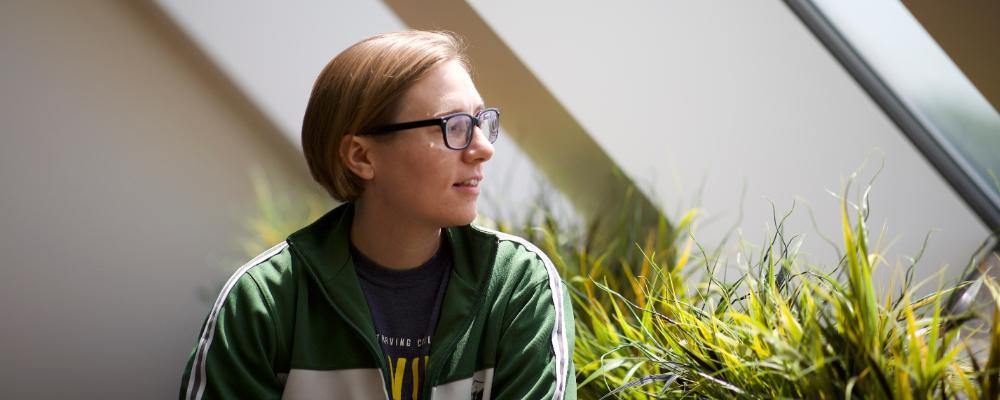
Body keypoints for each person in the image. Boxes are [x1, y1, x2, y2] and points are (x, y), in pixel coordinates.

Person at [179, 30, 576, 400]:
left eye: (480, 121)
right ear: (362, 156)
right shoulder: (264, 302)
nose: (483, 148)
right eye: (453, 126)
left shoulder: (518, 288)